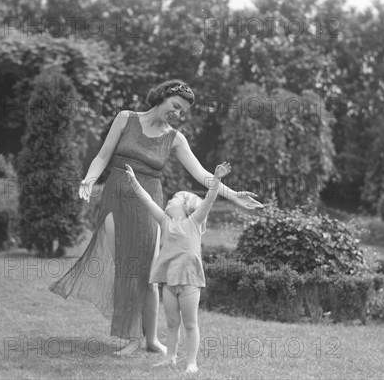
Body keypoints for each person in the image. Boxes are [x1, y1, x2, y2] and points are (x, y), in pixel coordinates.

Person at [49, 80, 263, 355]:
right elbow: (103, 156)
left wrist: (233, 195)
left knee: (148, 272)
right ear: (162, 97)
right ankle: (132, 336)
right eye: (175, 106)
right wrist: (89, 179)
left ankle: (149, 339)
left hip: (148, 201)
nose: (177, 114)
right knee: (124, 269)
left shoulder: (175, 138)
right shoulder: (125, 118)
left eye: (182, 111)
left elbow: (202, 174)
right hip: (114, 197)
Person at [125, 161, 231, 373]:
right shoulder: (165, 221)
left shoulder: (194, 221)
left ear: (186, 207)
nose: (169, 200)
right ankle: (170, 358)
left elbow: (209, 201)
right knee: (172, 323)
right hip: (171, 283)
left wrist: (216, 180)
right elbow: (147, 201)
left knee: (190, 324)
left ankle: (191, 362)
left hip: (190, 282)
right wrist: (134, 182)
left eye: (175, 198)